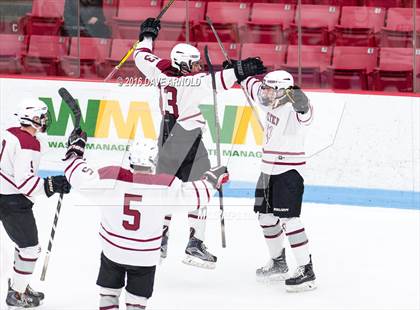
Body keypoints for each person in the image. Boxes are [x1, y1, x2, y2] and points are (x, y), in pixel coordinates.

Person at [133, 17, 266, 268]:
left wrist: (148, 35)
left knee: (167, 189)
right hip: (187, 137)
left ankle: (158, 239)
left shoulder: (159, 70)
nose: (196, 67)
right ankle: (195, 243)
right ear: (182, 64)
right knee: (203, 186)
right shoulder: (194, 83)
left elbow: (141, 54)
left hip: (165, 134)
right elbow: (222, 79)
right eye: (193, 64)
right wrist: (242, 68)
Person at [62, 129, 229, 309]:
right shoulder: (165, 185)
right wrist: (212, 179)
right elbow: (196, 196)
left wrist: (75, 150)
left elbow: (77, 175)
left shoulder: (111, 176)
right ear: (154, 161)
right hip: (144, 256)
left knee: (108, 294)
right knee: (137, 302)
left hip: (113, 251)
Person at [238, 69, 316, 292]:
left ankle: (306, 269)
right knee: (265, 217)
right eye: (266, 88)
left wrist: (301, 101)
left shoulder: (295, 109)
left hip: (288, 171)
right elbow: (252, 87)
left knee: (289, 220)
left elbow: (306, 113)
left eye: (270, 89)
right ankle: (279, 263)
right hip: (267, 170)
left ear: (283, 91)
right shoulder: (268, 102)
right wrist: (240, 71)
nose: (265, 92)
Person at [0, 99, 71, 307]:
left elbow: (39, 148)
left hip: (5, 195)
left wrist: (70, 145)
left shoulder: (11, 132)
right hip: (11, 201)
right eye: (42, 116)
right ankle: (17, 293)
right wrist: (53, 184)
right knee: (30, 248)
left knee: (23, 246)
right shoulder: (28, 144)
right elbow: (26, 185)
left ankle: (19, 284)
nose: (45, 120)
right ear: (32, 118)